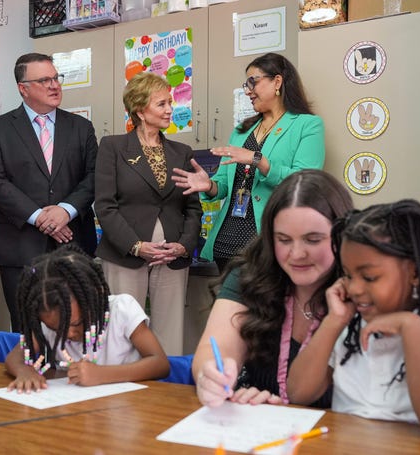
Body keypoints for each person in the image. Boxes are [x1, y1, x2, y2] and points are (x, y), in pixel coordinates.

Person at [192, 169, 353, 408]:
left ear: (340, 236)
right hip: (260, 423)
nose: (297, 254)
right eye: (284, 240)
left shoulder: (361, 287)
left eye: (313, 239)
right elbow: (216, 348)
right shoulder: (250, 275)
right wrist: (212, 378)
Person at [287, 200, 420, 437]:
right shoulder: (349, 325)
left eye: (369, 277)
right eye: (348, 275)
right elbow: (299, 393)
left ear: (414, 272)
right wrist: (335, 321)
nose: (354, 288)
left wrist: (411, 327)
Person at [172, 52, 325, 273]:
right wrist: (210, 186)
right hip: (226, 241)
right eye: (246, 84)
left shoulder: (307, 125)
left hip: (269, 242)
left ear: (277, 82)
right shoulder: (242, 131)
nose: (247, 91)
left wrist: (259, 161)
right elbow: (224, 184)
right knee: (229, 307)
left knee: (263, 307)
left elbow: (306, 184)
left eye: (253, 82)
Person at [0, 53, 98, 333]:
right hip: (19, 246)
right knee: (28, 328)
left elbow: (94, 176)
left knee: (76, 328)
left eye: (56, 78)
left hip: (73, 245)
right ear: (23, 87)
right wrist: (40, 217)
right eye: (44, 80)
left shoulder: (81, 127)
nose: (54, 85)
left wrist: (65, 210)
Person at [94, 72, 202, 356]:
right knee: (124, 334)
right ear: (140, 111)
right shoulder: (113, 147)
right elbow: (105, 205)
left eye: (170, 102)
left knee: (170, 333)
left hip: (172, 256)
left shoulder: (181, 151)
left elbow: (193, 207)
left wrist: (184, 246)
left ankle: (168, 392)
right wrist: (136, 246)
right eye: (161, 104)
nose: (170, 110)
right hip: (125, 254)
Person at [5, 245, 169, 393]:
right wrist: (25, 371)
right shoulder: (50, 320)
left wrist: (101, 374)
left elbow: (160, 364)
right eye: (58, 330)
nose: (68, 334)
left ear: (94, 297)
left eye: (76, 323)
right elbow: (14, 358)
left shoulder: (121, 310)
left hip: (128, 409)